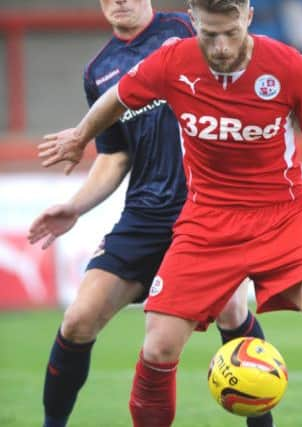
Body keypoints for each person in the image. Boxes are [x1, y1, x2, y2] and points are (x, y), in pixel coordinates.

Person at [37, 0, 302, 426]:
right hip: (206, 220)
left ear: (249, 18)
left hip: (283, 214)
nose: (221, 47)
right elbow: (116, 98)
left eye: (230, 33)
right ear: (193, 23)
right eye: (209, 35)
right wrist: (80, 137)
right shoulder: (172, 60)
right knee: (158, 347)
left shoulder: (286, 65)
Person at [28, 1, 274, 427]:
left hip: (206, 208)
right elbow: (116, 155)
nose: (120, 1)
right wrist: (76, 206)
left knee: (231, 310)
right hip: (144, 213)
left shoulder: (187, 30)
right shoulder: (99, 70)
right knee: (78, 320)